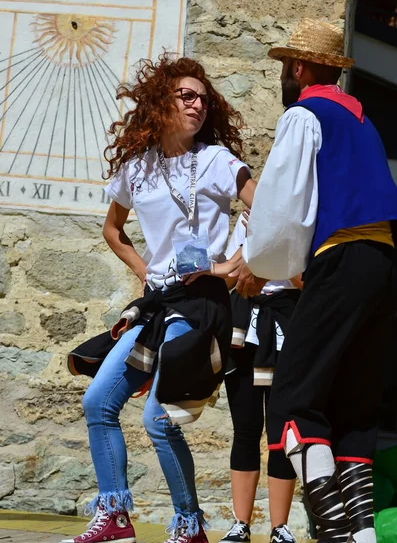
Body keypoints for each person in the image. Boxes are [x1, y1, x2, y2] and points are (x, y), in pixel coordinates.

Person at [62, 55, 256, 543]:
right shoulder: (137, 167)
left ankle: (189, 526)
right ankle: (116, 519)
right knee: (97, 402)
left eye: (203, 98)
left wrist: (232, 264)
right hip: (157, 302)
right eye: (186, 96)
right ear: (160, 104)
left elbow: (266, 206)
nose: (197, 104)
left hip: (201, 304)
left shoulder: (215, 161)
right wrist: (146, 272)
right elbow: (113, 230)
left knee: (158, 416)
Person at [241, 18, 397, 543]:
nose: (284, 77)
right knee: (354, 401)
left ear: (300, 67)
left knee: (292, 395)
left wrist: (257, 262)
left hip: (342, 259)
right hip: (383, 263)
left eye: (286, 67)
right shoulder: (362, 122)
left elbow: (285, 205)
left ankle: (330, 528)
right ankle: (362, 534)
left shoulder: (306, 115)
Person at [219, 213, 301, 543]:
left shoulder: (303, 221)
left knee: (282, 431)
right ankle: (241, 524)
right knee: (246, 428)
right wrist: (252, 243)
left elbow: (306, 282)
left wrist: (278, 248)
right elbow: (226, 279)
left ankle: (279, 527)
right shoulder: (247, 220)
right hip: (245, 330)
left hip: (287, 325)